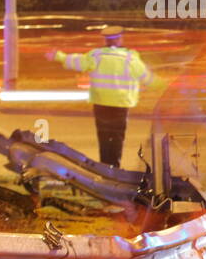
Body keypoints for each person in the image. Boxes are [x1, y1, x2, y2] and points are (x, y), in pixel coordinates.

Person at [46, 26, 155, 168]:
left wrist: (58, 56)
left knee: (103, 136)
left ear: (106, 41)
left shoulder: (96, 56)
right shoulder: (130, 58)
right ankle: (114, 166)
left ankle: (104, 166)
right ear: (119, 39)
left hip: (101, 102)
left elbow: (77, 62)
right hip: (121, 103)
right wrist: (164, 86)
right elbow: (146, 77)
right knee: (117, 136)